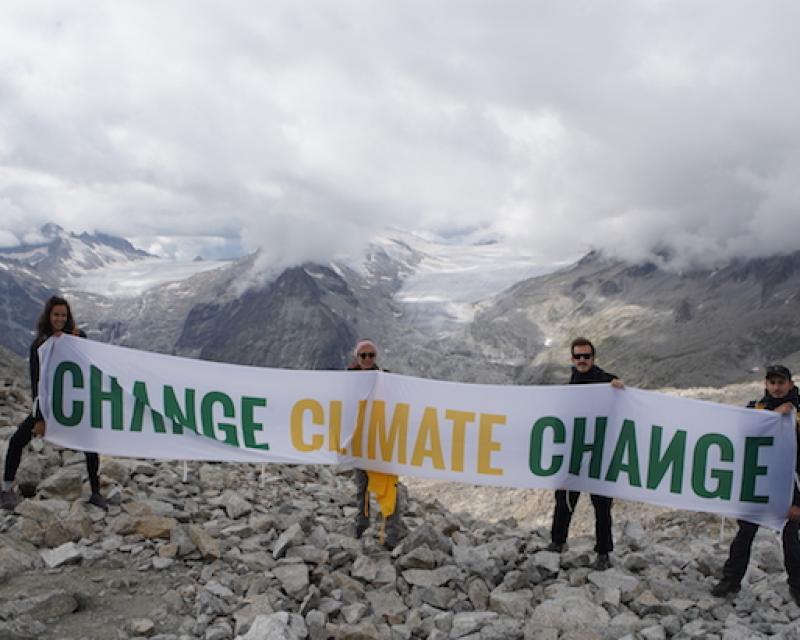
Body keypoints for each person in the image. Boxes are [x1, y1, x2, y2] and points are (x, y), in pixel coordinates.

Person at [1, 296, 107, 511]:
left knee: (90, 446)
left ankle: (96, 492)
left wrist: (77, 340)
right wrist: (39, 417)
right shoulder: (39, 344)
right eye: (56, 314)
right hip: (50, 405)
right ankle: (6, 490)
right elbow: (36, 381)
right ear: (48, 316)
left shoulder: (77, 337)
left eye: (63, 315)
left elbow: (89, 362)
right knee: (17, 440)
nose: (60, 319)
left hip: (74, 405)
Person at [711, 365, 800, 605]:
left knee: (791, 536)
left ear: (790, 384)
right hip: (758, 483)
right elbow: (741, 435)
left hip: (791, 486)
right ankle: (731, 581)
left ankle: (797, 587)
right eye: (772, 383)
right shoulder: (756, 408)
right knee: (745, 532)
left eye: (781, 383)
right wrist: (771, 417)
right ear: (765, 384)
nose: (776, 388)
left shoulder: (798, 410)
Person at [547, 337, 625, 570]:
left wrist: (620, 386)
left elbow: (620, 392)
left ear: (593, 358)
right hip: (574, 453)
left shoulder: (605, 380)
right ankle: (558, 541)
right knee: (564, 500)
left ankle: (603, 552)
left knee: (601, 505)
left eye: (586, 356)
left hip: (600, 455)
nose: (582, 360)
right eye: (578, 356)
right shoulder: (571, 384)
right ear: (572, 359)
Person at [347, 339, 406, 549]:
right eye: (363, 355)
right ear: (357, 357)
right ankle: (361, 524)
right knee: (362, 486)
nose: (367, 359)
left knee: (389, 486)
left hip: (381, 441)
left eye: (371, 355)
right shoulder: (346, 379)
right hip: (359, 440)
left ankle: (391, 534)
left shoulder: (386, 378)